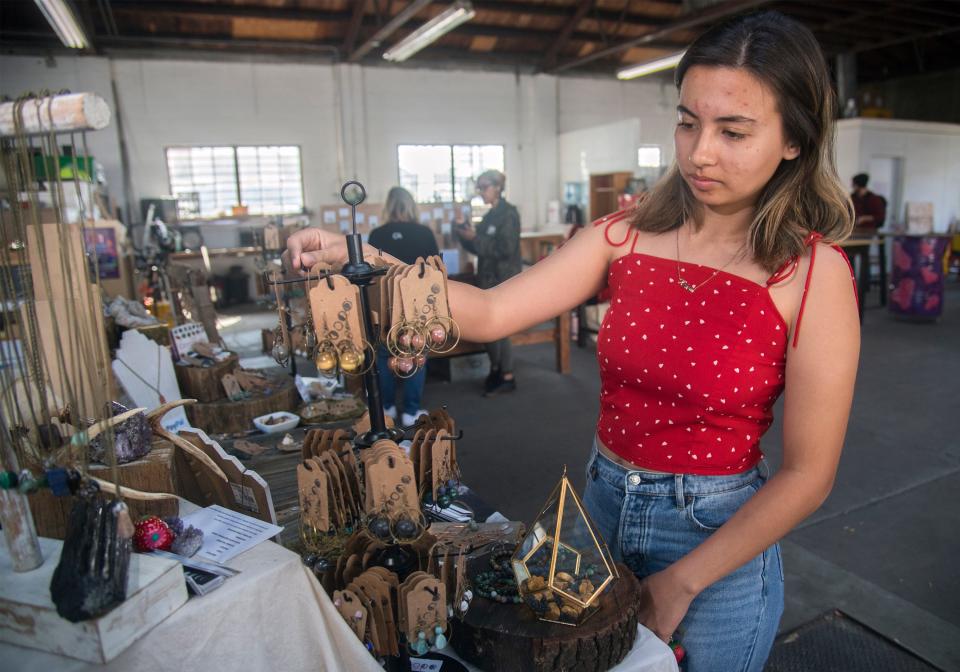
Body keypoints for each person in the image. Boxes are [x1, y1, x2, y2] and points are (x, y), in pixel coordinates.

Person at [285, 11, 860, 671]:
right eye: (687, 122)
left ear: (794, 140)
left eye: (733, 131)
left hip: (717, 539)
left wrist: (683, 581)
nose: (700, 152)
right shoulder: (629, 232)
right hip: (601, 515)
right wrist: (363, 260)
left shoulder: (813, 277)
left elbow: (807, 476)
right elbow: (493, 311)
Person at [367, 186, 439, 426]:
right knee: (416, 351)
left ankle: (386, 407)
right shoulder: (424, 233)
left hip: (385, 303)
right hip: (416, 303)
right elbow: (435, 272)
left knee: (384, 353)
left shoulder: (376, 235)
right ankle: (410, 411)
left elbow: (368, 273)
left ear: (387, 206)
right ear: (411, 205)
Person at [454, 169, 522, 396]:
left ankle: (507, 375)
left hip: (503, 280)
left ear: (497, 188)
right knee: (492, 329)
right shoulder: (490, 216)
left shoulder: (508, 214)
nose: (480, 192)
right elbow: (478, 248)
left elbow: (506, 249)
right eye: (479, 187)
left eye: (484, 187)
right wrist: (464, 232)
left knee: (500, 329)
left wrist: (477, 238)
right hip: (488, 279)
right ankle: (497, 370)